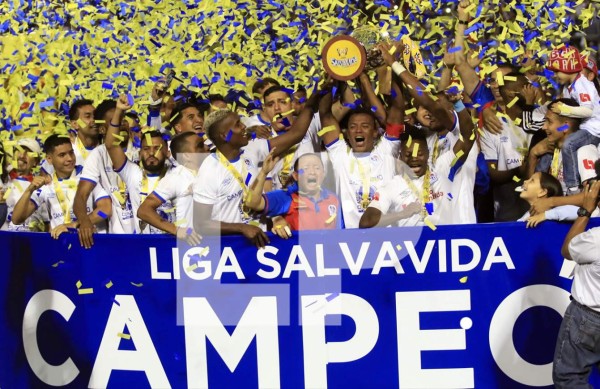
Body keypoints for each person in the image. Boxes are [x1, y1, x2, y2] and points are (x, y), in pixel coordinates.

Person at [193, 91, 318, 248]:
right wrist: (241, 228)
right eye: (238, 124)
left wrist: (315, 98)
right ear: (225, 136)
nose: (245, 126)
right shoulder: (209, 170)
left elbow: (296, 134)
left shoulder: (252, 149)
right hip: (230, 248)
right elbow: (201, 224)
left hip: (260, 242)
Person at [12, 134, 112, 239]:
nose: (69, 158)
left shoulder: (88, 176)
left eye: (71, 153)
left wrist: (74, 224)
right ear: (49, 159)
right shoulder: (46, 184)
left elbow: (105, 209)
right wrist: (29, 190)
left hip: (91, 242)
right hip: (62, 246)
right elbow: (16, 219)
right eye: (62, 155)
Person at [554, 175, 600, 388]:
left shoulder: (596, 238)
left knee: (570, 378)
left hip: (589, 319)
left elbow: (567, 249)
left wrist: (585, 211)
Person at [105, 95, 174, 234]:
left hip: (172, 244)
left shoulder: (178, 174)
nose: (151, 153)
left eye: (157, 148)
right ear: (140, 152)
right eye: (146, 149)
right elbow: (111, 146)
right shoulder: (133, 174)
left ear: (167, 151)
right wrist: (119, 110)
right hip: (144, 246)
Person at [73, 99, 136, 248]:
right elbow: (81, 195)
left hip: (150, 235)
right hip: (119, 240)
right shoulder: (98, 155)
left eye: (123, 119)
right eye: (114, 120)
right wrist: (84, 221)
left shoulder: (144, 150)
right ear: (102, 129)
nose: (120, 124)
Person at [243, 151, 342, 234]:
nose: (312, 172)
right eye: (306, 168)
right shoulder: (286, 197)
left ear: (323, 175)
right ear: (295, 176)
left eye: (317, 168)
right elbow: (252, 203)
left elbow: (341, 234)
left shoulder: (333, 199)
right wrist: (263, 173)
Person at [547, 45, 600, 194]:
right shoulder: (569, 87)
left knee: (568, 144)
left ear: (568, 67)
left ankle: (573, 188)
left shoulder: (582, 84)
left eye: (557, 70)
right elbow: (565, 122)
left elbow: (588, 111)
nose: (555, 75)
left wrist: (565, 109)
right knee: (555, 145)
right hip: (581, 128)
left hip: (593, 129)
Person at [137, 131, 203, 245]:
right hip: (186, 245)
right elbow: (144, 210)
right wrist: (176, 230)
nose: (152, 153)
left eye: (157, 148)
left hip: (211, 242)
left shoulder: (210, 172)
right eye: (200, 146)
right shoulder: (177, 177)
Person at [40, 99, 98, 176]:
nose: (94, 120)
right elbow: (43, 179)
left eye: (96, 116)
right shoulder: (65, 150)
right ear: (75, 124)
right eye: (88, 116)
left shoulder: (110, 148)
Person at [1, 138, 47, 231]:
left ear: (36, 162)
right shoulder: (2, 179)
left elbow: (48, 224)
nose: (22, 155)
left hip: (27, 241)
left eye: (29, 152)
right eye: (18, 150)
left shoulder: (41, 188)